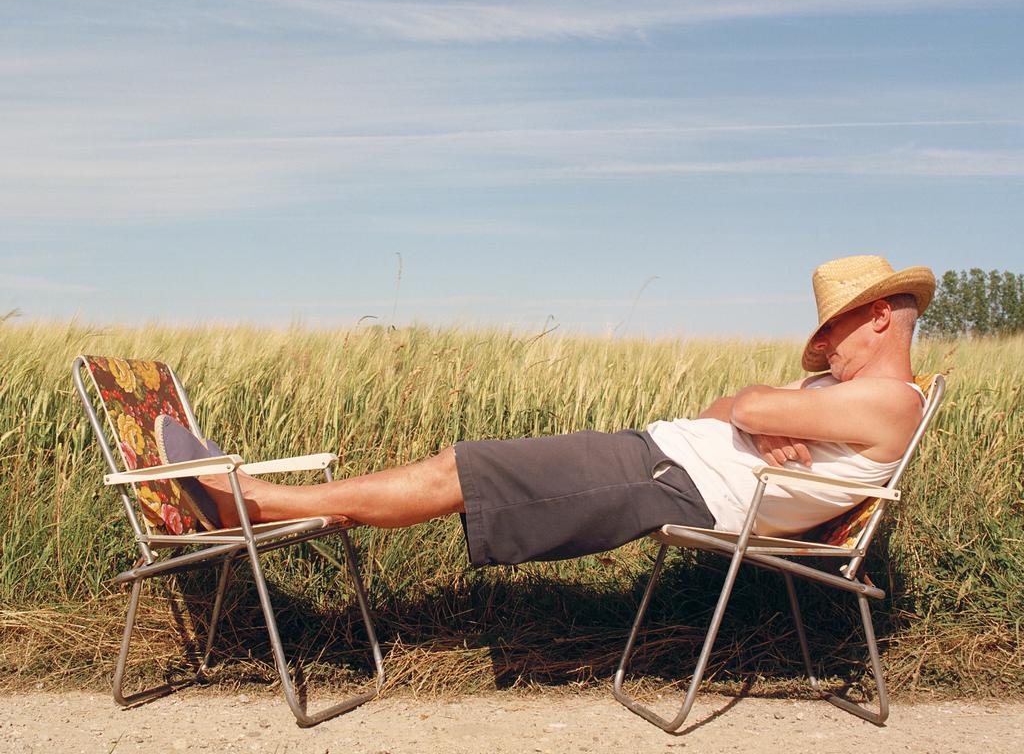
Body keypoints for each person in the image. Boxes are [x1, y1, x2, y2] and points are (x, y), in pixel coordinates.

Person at [190, 255, 935, 565]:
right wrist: (765, 421)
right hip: (662, 457)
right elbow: (726, 408)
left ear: (877, 319)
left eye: (834, 326)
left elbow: (741, 401)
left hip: (674, 483)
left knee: (466, 470)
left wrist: (760, 414)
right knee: (465, 466)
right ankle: (263, 500)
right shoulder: (833, 397)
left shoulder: (890, 403)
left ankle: (257, 504)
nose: (825, 342)